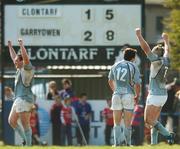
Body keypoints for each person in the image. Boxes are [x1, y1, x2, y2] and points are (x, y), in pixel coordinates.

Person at [135, 28, 174, 145]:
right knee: (154, 121)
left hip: (155, 94)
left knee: (148, 120)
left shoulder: (156, 60)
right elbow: (167, 50)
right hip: (163, 94)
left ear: (156, 52)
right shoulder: (166, 60)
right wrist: (166, 40)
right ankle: (154, 144)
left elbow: (145, 48)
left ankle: (168, 134)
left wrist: (138, 36)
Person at [108, 48, 141, 146]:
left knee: (116, 122)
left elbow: (110, 80)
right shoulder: (133, 66)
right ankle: (128, 144)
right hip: (128, 95)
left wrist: (115, 91)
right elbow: (138, 84)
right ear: (133, 57)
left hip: (117, 95)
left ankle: (116, 144)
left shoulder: (115, 65)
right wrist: (137, 95)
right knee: (128, 123)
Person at [8, 39, 34, 146]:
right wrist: (10, 46)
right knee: (11, 121)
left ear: (22, 61)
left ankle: (28, 146)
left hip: (25, 99)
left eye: (17, 61)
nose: (15, 62)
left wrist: (21, 45)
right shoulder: (19, 69)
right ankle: (25, 140)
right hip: (18, 99)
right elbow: (15, 57)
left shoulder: (27, 68)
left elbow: (25, 58)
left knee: (25, 124)